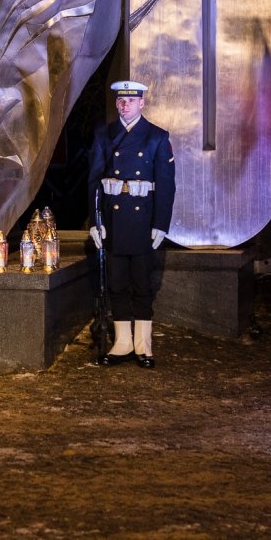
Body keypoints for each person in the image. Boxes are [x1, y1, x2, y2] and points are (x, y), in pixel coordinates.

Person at [86, 81, 175, 369]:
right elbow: (94, 182)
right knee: (117, 282)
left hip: (143, 219)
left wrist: (161, 224)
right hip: (113, 220)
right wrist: (95, 220)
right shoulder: (104, 134)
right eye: (121, 101)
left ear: (142, 103)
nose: (125, 105)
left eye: (131, 100)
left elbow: (166, 184)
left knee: (141, 283)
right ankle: (123, 343)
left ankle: (143, 345)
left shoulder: (157, 137)